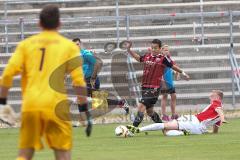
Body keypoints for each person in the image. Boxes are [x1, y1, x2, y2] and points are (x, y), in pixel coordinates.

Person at [0, 5, 90, 160]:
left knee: (24, 154)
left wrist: (2, 102)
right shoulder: (69, 47)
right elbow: (78, 83)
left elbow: (7, 75)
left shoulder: (26, 45)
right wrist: (84, 110)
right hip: (56, 106)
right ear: (59, 24)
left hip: (31, 105)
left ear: (39, 24)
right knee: (62, 155)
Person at [126, 39, 190, 127]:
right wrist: (129, 50)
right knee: (150, 111)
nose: (153, 49)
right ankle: (163, 126)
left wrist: (183, 73)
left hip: (154, 88)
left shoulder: (163, 59)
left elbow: (173, 66)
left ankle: (132, 128)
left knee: (141, 107)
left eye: (155, 48)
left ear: (160, 48)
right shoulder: (147, 56)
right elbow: (139, 58)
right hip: (145, 87)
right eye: (152, 48)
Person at [127, 90, 227, 136]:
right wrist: (206, 131)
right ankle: (182, 132)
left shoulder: (217, 103)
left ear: (218, 98)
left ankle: (138, 130)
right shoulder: (216, 113)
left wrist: (223, 118)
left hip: (194, 121)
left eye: (212, 95)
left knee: (164, 126)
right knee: (166, 131)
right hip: (198, 129)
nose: (210, 95)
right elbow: (215, 131)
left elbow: (219, 110)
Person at [72, 38, 129, 116]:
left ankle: (82, 119)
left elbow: (97, 63)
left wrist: (93, 77)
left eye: (77, 44)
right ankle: (121, 103)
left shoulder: (85, 53)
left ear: (80, 44)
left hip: (90, 80)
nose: (76, 46)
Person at [160, 45, 180, 121]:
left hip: (170, 82)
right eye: (165, 50)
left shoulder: (169, 59)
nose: (166, 51)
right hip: (164, 81)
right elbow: (160, 71)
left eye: (167, 50)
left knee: (173, 96)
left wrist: (176, 74)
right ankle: (164, 115)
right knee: (165, 96)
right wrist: (162, 81)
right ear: (161, 51)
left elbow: (172, 68)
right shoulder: (161, 60)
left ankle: (173, 114)